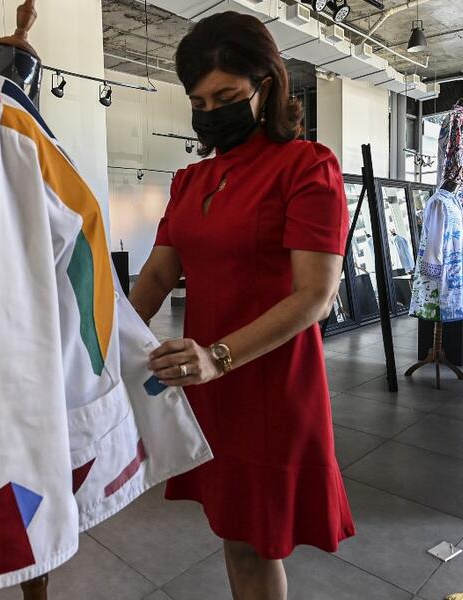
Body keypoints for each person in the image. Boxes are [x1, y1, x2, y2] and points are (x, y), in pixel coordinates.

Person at [129, 11, 355, 600]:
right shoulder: (189, 181)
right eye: (199, 103)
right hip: (204, 383)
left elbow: (316, 296)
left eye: (226, 96)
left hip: (268, 382)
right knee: (232, 532)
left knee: (257, 541)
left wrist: (218, 357)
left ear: (268, 86)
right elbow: (157, 273)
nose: (212, 113)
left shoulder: (307, 168)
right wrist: (101, 337)